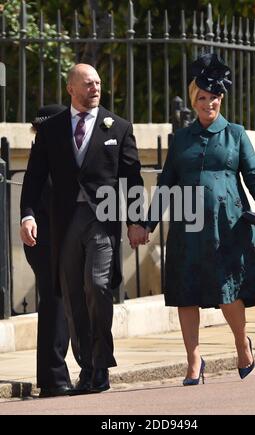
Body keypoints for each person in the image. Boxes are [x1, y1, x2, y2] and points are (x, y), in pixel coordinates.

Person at [144, 53, 255, 385]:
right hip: (188, 229)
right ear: (194, 100)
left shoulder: (236, 133)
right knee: (185, 293)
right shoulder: (181, 140)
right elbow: (165, 186)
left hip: (227, 227)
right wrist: (145, 223)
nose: (209, 103)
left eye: (214, 97)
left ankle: (240, 343)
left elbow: (254, 175)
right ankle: (193, 360)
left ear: (221, 98)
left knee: (228, 292)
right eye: (202, 98)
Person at [20, 63, 146, 395]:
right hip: (64, 222)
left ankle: (101, 366)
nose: (95, 87)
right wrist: (28, 215)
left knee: (98, 285)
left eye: (98, 83)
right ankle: (86, 368)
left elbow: (131, 178)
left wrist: (136, 221)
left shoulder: (117, 127)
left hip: (102, 220)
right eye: (88, 83)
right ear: (71, 89)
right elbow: (34, 178)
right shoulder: (51, 130)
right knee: (72, 293)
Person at [24, 104, 72, 398]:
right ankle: (53, 378)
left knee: (62, 305)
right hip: (46, 240)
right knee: (55, 305)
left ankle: (60, 375)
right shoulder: (46, 157)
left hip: (60, 238)